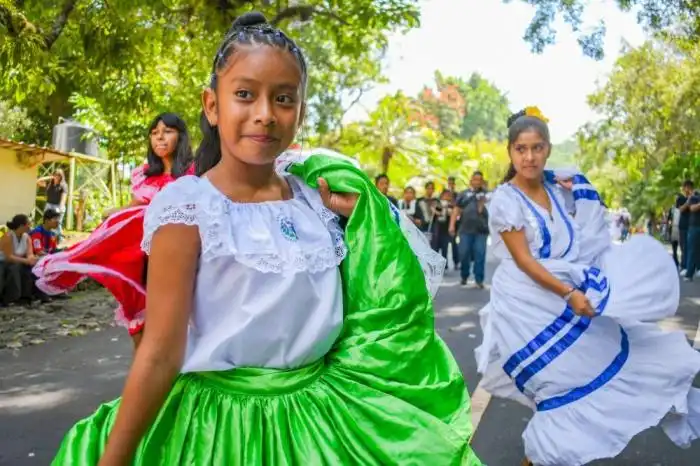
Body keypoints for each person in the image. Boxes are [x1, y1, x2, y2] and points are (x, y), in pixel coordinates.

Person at [50, 13, 481, 466]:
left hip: (324, 422)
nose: (264, 114)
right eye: (244, 94)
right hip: (220, 430)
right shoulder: (189, 206)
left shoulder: (317, 200)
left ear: (300, 111)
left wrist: (363, 218)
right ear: (212, 105)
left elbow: (383, 299)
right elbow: (159, 354)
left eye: (283, 98)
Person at [475, 107, 700, 466]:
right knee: (558, 380)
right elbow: (525, 261)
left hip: (564, 295)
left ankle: (543, 454)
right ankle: (544, 452)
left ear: (548, 149)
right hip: (528, 306)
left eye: (536, 148)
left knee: (593, 365)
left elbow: (587, 234)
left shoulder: (557, 190)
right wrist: (569, 293)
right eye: (520, 149)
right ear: (510, 152)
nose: (529, 157)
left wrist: (578, 186)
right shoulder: (505, 200)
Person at [34, 112, 194, 347]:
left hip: (179, 257)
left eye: (167, 132)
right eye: (154, 133)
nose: (160, 138)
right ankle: (145, 379)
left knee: (176, 324)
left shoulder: (195, 171)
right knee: (141, 321)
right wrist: (113, 213)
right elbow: (135, 208)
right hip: (143, 260)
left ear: (181, 136)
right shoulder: (145, 174)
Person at [449, 171, 489, 288]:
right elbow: (456, 210)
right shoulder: (463, 194)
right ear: (471, 181)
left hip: (481, 231)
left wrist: (483, 204)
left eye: (479, 180)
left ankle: (479, 279)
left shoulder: (486, 195)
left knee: (480, 254)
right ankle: (464, 276)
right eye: (475, 179)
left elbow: (491, 211)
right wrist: (451, 225)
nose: (477, 182)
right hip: (465, 230)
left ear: (482, 182)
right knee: (464, 253)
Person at [0, 214, 44, 306]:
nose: (30, 226)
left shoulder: (26, 237)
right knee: (14, 269)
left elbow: (29, 254)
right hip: (4, 261)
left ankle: (26, 297)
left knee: (30, 268)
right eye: (28, 224)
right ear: (21, 226)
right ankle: (11, 298)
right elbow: (9, 256)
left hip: (18, 261)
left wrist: (32, 259)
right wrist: (26, 261)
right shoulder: (8, 236)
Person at [37, 169, 68, 240]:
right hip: (49, 205)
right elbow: (38, 181)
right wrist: (50, 177)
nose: (57, 177)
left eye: (59, 175)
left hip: (58, 206)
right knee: (46, 223)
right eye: (55, 175)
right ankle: (47, 239)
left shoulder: (64, 185)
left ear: (61, 177)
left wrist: (59, 210)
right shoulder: (49, 184)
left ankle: (60, 240)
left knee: (57, 224)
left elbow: (63, 199)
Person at [676, 180, 694, 273]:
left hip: (693, 225)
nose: (687, 189)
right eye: (686, 187)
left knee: (691, 247)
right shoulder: (680, 198)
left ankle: (691, 266)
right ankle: (684, 266)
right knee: (684, 246)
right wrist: (688, 201)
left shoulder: (695, 197)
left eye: (689, 187)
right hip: (683, 225)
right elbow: (681, 209)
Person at [683, 188, 700, 281]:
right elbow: (692, 208)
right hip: (694, 227)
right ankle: (689, 274)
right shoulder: (695, 197)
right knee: (692, 250)